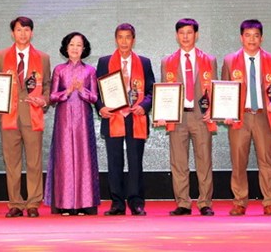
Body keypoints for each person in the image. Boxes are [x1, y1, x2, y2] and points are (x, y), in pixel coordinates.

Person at [0, 16, 51, 218]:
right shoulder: (1, 56)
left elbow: (47, 86)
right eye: (18, 30)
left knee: (34, 162)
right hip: (9, 116)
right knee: (12, 163)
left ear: (32, 33)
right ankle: (15, 203)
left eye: (26, 30)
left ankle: (33, 203)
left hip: (32, 115)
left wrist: (43, 100)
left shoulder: (43, 58)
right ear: (12, 33)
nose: (22, 34)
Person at [221, 19, 271, 216]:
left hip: (264, 116)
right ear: (241, 38)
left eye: (256, 35)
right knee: (238, 161)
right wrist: (226, 112)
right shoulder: (229, 60)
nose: (252, 39)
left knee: (266, 161)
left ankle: (270, 201)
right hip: (240, 117)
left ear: (261, 38)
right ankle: (239, 201)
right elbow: (223, 89)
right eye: (247, 35)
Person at [158, 19, 217, 216]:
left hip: (201, 117)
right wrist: (163, 113)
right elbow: (164, 91)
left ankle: (205, 202)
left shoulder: (209, 60)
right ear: (177, 36)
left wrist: (213, 110)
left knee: (204, 161)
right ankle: (183, 203)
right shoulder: (167, 61)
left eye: (189, 32)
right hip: (178, 117)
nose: (185, 36)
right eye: (181, 33)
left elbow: (215, 89)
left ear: (196, 35)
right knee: (179, 162)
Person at [95, 23, 155, 216]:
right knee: (114, 162)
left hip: (136, 118)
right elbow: (96, 91)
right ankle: (117, 203)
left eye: (128, 37)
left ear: (133, 40)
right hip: (113, 117)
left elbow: (151, 91)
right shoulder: (104, 62)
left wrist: (144, 106)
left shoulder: (144, 62)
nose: (124, 41)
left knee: (135, 162)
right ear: (115, 39)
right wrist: (100, 107)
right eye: (120, 37)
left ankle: (136, 203)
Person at [43, 32, 100, 215]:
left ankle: (85, 203)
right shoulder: (59, 70)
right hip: (64, 121)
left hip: (83, 120)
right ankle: (64, 203)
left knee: (84, 158)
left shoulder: (90, 71)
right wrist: (67, 91)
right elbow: (52, 97)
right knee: (64, 159)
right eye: (72, 44)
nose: (75, 48)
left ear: (84, 49)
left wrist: (81, 90)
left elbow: (94, 97)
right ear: (66, 48)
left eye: (79, 45)